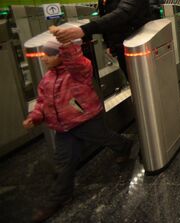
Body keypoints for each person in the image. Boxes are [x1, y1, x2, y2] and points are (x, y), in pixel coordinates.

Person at [23, 36, 133, 223]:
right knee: (63, 163)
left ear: (61, 55)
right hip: (64, 129)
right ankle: (58, 198)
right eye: (43, 55)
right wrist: (35, 117)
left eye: (48, 55)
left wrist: (65, 45)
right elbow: (42, 103)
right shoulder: (47, 80)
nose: (44, 59)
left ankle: (124, 145)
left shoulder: (78, 71)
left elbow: (76, 60)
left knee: (105, 137)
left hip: (85, 119)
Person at [54, 0, 152, 78]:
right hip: (119, 43)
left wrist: (84, 30)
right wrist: (109, 44)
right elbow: (105, 12)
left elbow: (123, 13)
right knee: (133, 80)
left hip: (136, 44)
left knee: (142, 80)